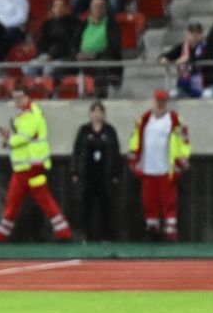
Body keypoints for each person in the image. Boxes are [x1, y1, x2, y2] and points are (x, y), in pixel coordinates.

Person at [0, 86, 75, 243]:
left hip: (31, 167)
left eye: (20, 97)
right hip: (26, 167)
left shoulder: (30, 115)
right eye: (15, 98)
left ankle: (64, 233)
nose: (17, 101)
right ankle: (63, 232)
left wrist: (9, 139)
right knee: (23, 200)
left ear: (28, 97)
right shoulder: (25, 114)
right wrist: (11, 138)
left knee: (26, 200)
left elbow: (23, 137)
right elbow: (24, 137)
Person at [127, 89, 192, 241]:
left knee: (169, 202)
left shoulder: (175, 119)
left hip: (166, 169)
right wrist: (133, 157)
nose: (160, 104)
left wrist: (183, 158)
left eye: (163, 101)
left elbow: (184, 141)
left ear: (167, 103)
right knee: (149, 202)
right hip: (148, 168)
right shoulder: (144, 119)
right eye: (158, 101)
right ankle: (152, 231)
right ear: (153, 102)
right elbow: (135, 139)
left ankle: (171, 233)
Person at [69, 100, 121, 242]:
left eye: (100, 112)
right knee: (87, 207)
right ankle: (87, 236)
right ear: (90, 114)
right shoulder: (84, 131)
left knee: (106, 206)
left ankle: (106, 237)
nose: (97, 115)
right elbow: (77, 151)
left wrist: (116, 173)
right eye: (94, 111)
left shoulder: (110, 131)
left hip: (105, 175)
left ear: (103, 114)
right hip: (88, 174)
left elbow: (116, 152)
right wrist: (74, 171)